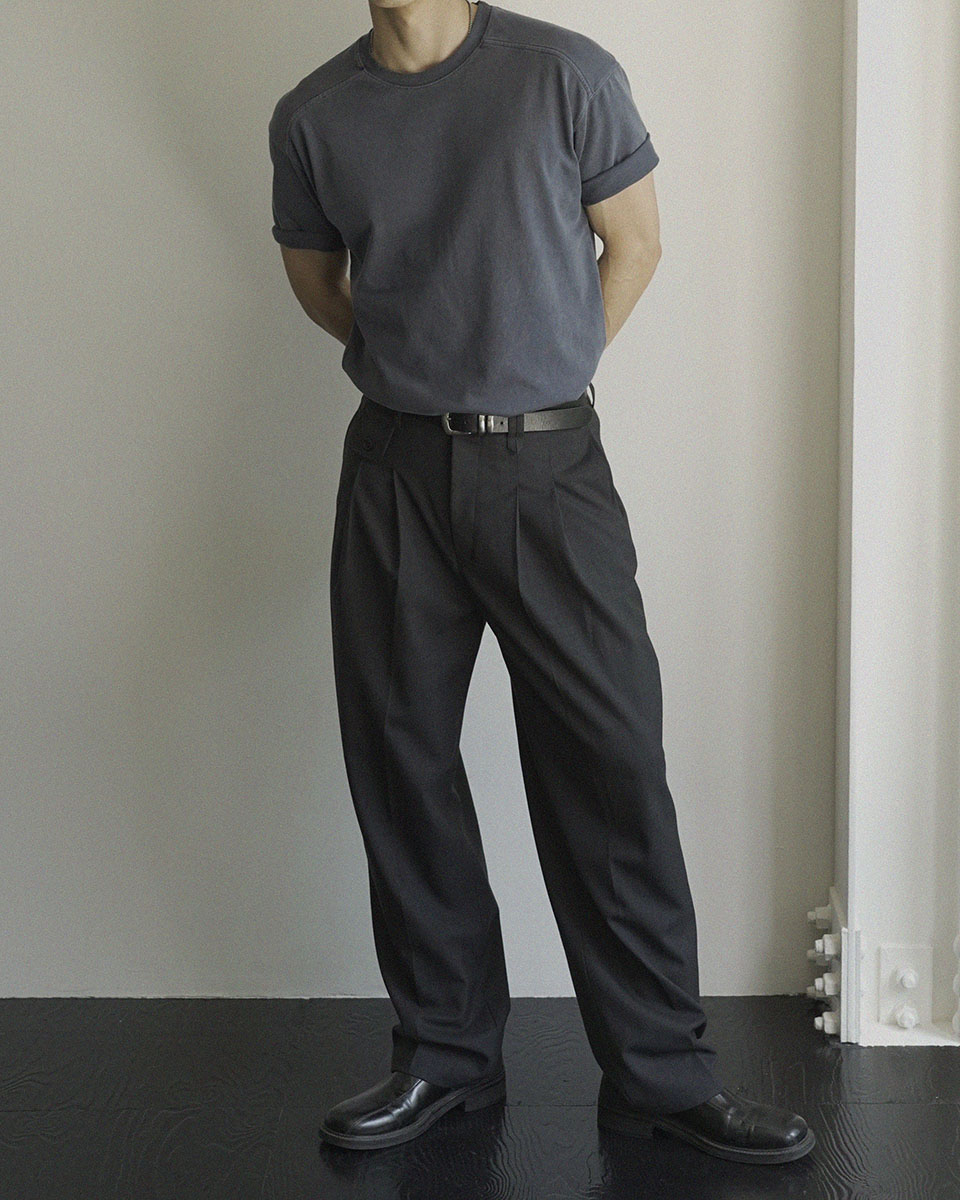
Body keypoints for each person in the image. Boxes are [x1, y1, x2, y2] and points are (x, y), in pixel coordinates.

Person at [269, 0, 815, 1166]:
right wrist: (423, 363)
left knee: (608, 762)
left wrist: (540, 365)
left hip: (548, 466)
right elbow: (319, 281)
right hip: (395, 471)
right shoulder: (315, 115)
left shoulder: (564, 75)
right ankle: (446, 1058)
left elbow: (637, 243)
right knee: (401, 759)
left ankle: (662, 1075)